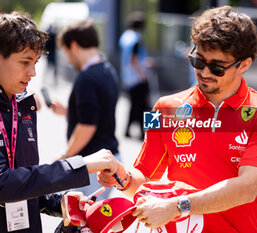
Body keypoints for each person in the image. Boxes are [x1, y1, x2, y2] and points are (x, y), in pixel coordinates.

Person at [98, 6, 257, 232]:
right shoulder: (164, 107)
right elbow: (145, 179)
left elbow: (247, 188)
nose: (204, 73)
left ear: (244, 64)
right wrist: (122, 177)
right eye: (198, 61)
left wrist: (178, 207)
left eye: (217, 68)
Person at [0, 12, 119, 233]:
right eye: (25, 62)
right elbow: (4, 184)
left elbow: (25, 180)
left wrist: (60, 202)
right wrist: (77, 165)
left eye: (35, 62)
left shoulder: (23, 105)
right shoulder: (103, 71)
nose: (33, 72)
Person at [50, 20, 120, 201]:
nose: (68, 58)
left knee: (85, 221)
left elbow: (87, 126)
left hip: (92, 163)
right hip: (108, 156)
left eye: (66, 51)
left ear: (73, 46)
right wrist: (68, 111)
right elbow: (98, 112)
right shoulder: (107, 68)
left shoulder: (86, 78)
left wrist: (66, 157)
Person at [119, 11, 151, 140]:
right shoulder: (136, 39)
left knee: (134, 105)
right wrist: (143, 73)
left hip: (128, 77)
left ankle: (127, 130)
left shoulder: (125, 36)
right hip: (137, 77)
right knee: (144, 106)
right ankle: (146, 132)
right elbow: (134, 59)